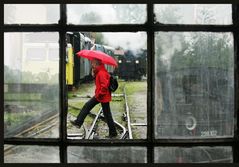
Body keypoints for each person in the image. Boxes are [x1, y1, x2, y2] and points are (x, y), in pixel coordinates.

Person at [70, 58, 118, 138]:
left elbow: (104, 86)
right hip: (102, 96)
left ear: (97, 64)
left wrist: (99, 95)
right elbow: (98, 80)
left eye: (93, 63)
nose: (91, 64)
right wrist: (93, 72)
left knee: (87, 106)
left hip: (102, 96)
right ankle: (113, 133)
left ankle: (78, 122)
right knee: (107, 114)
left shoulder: (102, 73)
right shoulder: (100, 71)